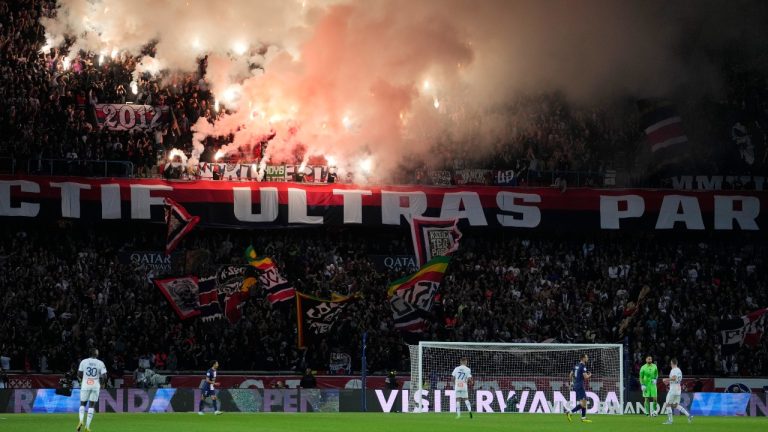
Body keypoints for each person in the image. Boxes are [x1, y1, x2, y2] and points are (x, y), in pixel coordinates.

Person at [76, 348, 107, 432]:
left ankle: (81, 420)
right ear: (96, 354)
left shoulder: (83, 361)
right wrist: (103, 384)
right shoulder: (100, 363)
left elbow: (79, 373)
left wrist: (85, 378)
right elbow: (104, 376)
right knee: (91, 405)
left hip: (86, 384)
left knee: (82, 403)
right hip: (95, 385)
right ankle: (87, 427)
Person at [661, 358, 693, 424]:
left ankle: (670, 421)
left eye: (670, 363)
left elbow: (674, 378)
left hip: (673, 389)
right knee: (675, 405)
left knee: (667, 404)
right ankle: (688, 415)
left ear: (672, 363)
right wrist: (668, 382)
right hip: (678, 389)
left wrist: (666, 379)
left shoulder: (674, 370)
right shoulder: (679, 370)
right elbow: (675, 380)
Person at [566, 353, 592, 423]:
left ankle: (583, 418)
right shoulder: (583, 366)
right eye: (586, 357)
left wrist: (571, 382)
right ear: (583, 358)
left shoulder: (576, 365)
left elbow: (570, 374)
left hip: (576, 385)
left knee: (584, 402)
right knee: (584, 402)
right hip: (580, 386)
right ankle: (570, 412)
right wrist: (590, 375)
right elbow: (585, 377)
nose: (587, 358)